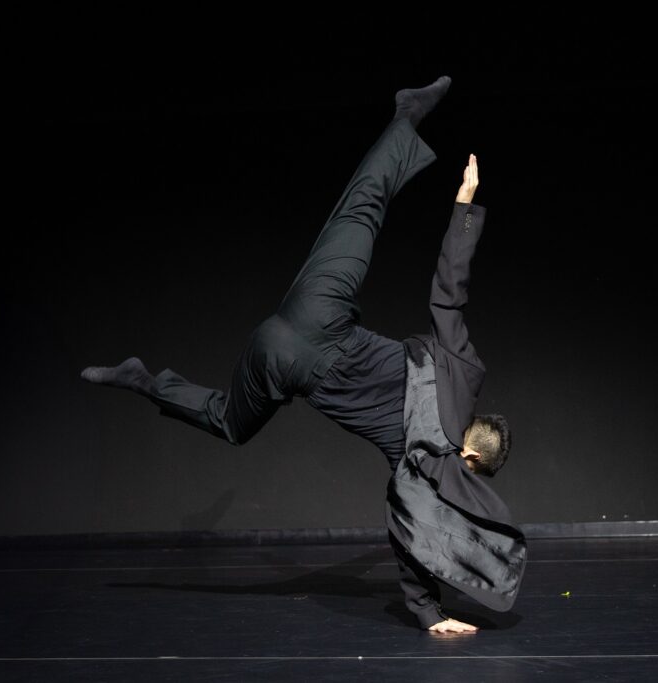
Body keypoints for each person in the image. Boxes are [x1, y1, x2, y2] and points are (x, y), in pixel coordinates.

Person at [81, 76, 527, 633]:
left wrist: (464, 205)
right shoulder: (428, 462)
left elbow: (449, 292)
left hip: (318, 308)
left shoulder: (464, 369)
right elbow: (415, 531)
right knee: (228, 421)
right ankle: (145, 382)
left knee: (362, 207)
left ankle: (405, 117)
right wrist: (428, 611)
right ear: (470, 460)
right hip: (281, 361)